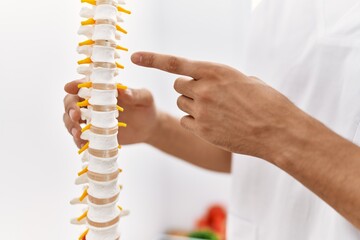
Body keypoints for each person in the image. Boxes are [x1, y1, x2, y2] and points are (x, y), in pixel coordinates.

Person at [64, 0, 360, 239]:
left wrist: (273, 130)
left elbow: (273, 139)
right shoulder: (275, 8)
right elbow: (258, 161)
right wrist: (155, 127)